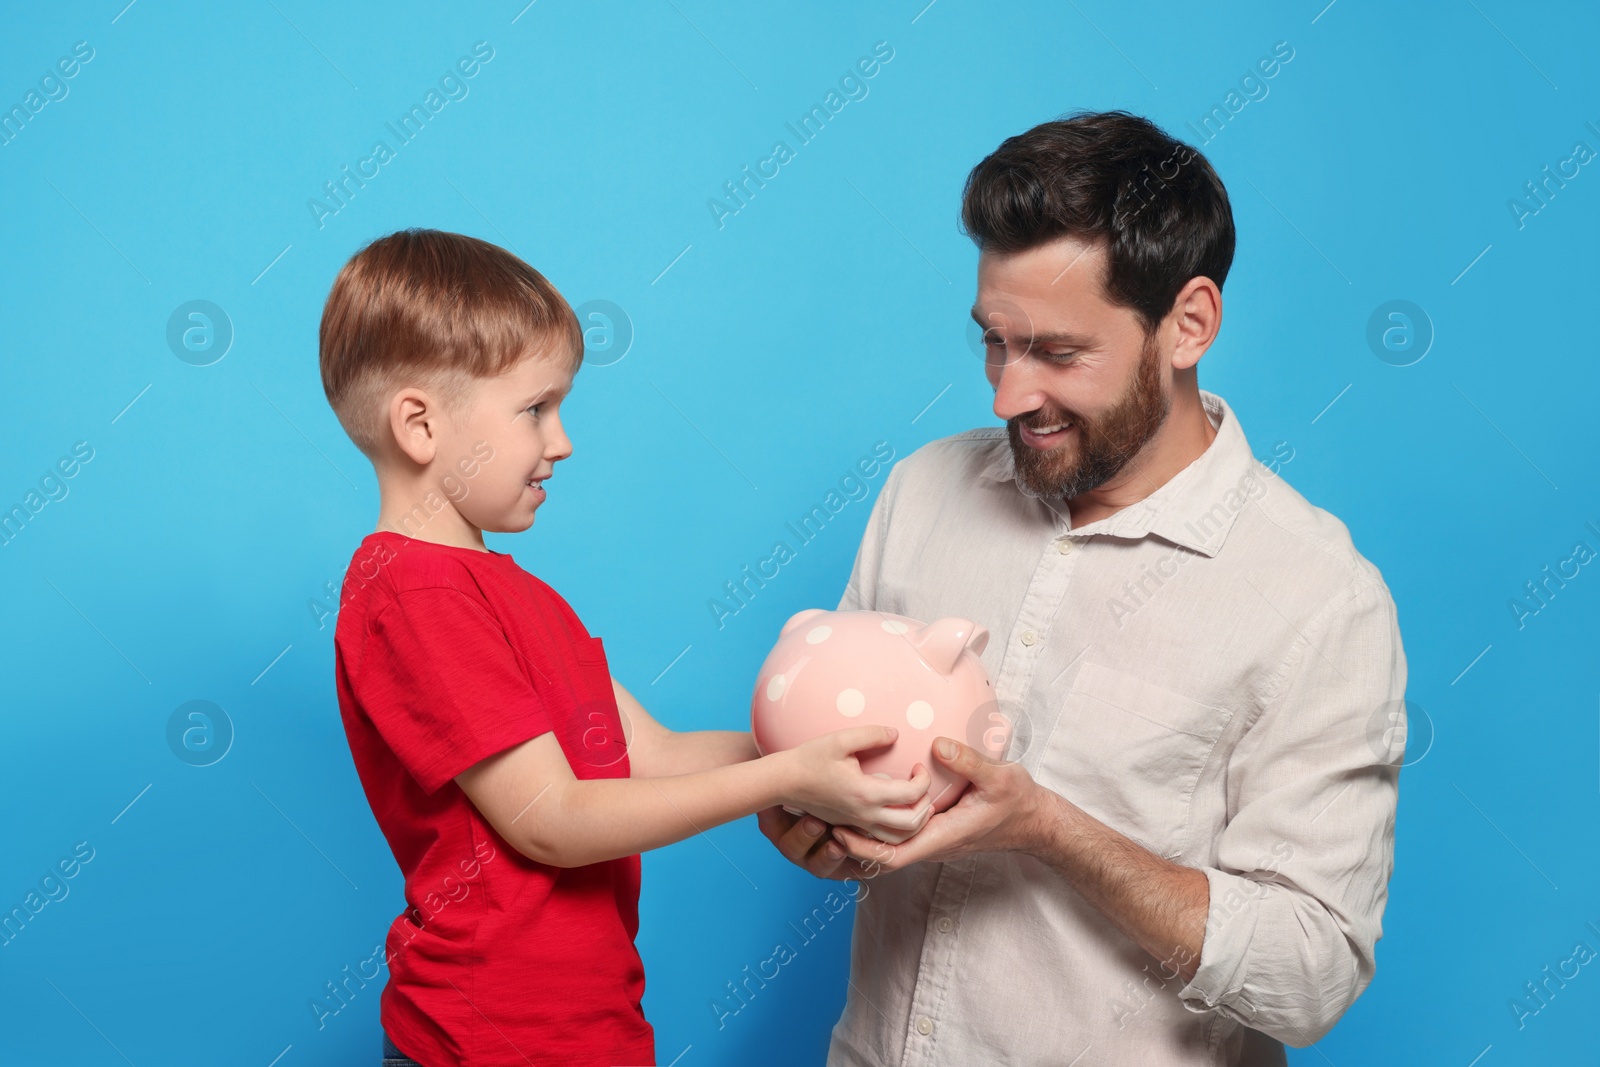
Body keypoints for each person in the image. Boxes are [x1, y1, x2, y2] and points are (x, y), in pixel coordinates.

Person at [759, 111, 1408, 1065]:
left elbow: (1311, 973)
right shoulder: (923, 490)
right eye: (994, 341)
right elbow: (840, 764)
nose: (1007, 395)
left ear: (1188, 324)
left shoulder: (1317, 598)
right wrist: (818, 825)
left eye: (1059, 354)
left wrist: (1052, 830)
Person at [319, 229, 934, 1067]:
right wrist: (788, 776)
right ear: (420, 424)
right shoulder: (412, 593)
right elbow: (552, 822)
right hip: (487, 1041)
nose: (561, 439)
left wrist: (826, 748)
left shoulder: (523, 597)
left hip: (590, 1031)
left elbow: (657, 753)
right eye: (535, 408)